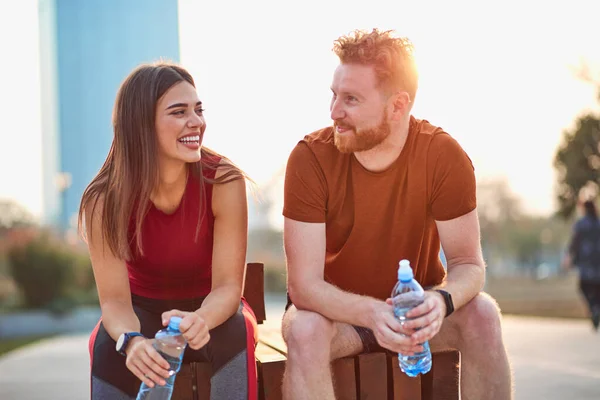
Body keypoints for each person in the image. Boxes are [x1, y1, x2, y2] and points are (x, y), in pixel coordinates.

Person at [281, 29, 512, 400]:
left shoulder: (443, 155)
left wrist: (440, 302)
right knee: (303, 331)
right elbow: (304, 286)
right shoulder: (310, 158)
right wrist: (372, 313)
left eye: (351, 99)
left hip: (417, 320)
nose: (334, 111)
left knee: (484, 316)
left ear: (398, 105)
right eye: (334, 95)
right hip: (338, 318)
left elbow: (469, 264)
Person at [79, 61, 258, 399]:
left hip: (213, 310)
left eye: (198, 110)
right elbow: (115, 303)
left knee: (237, 329)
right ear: (141, 125)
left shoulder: (223, 180)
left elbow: (227, 288)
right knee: (107, 344)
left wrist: (201, 319)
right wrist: (131, 343)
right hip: (141, 311)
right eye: (179, 112)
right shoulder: (103, 199)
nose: (197, 123)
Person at [562, 199, 600, 331]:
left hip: (587, 263)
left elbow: (575, 242)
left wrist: (568, 258)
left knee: (583, 287)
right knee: (597, 290)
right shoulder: (598, 222)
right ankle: (596, 308)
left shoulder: (581, 224)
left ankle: (594, 308)